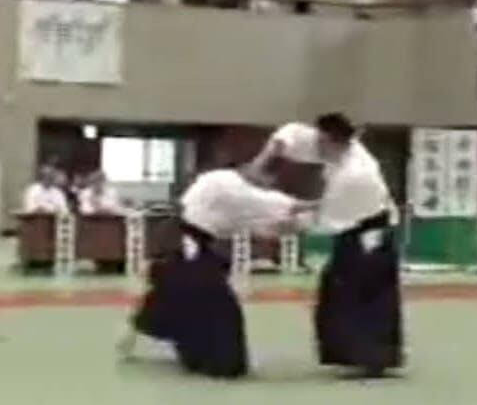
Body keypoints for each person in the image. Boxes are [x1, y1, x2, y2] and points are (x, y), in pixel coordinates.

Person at [117, 167, 314, 378]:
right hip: (181, 245)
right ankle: (211, 357)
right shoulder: (223, 181)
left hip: (191, 248)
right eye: (264, 179)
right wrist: (313, 205)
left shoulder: (242, 202)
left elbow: (266, 225)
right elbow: (267, 203)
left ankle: (194, 350)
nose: (265, 184)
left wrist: (299, 221)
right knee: (202, 300)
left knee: (173, 295)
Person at [251, 113, 403, 377]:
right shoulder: (328, 145)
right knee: (337, 290)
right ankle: (349, 355)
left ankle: (373, 359)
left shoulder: (356, 175)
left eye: (323, 142)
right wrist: (263, 161)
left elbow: (323, 218)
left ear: (337, 142)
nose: (316, 146)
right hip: (352, 228)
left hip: (369, 234)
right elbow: (288, 135)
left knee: (365, 295)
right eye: (317, 139)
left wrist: (280, 226)